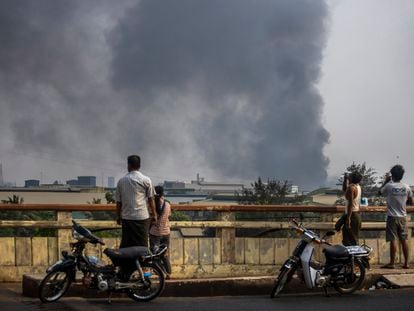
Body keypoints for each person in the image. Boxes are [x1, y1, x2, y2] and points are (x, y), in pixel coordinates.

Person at [115, 155, 157, 248]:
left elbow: (118, 202)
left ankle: (128, 262)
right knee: (142, 245)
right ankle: (142, 262)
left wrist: (118, 216)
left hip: (127, 218)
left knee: (127, 245)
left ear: (129, 165)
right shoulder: (146, 180)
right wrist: (154, 215)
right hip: (142, 217)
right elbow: (151, 199)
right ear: (139, 165)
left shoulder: (121, 181)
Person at [380, 165, 413, 269]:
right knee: (404, 240)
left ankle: (392, 263)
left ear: (392, 175)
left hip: (392, 217)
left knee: (393, 240)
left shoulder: (389, 186)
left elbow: (379, 192)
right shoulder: (407, 187)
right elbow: (411, 201)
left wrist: (386, 181)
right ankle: (407, 263)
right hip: (403, 217)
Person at [149, 186, 172, 277]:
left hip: (155, 233)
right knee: (164, 254)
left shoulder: (151, 204)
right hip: (166, 232)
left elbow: (150, 216)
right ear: (163, 193)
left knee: (155, 255)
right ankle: (169, 274)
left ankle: (162, 273)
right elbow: (168, 216)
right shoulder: (168, 204)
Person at [339, 172, 363, 246]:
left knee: (348, 240)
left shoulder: (351, 188)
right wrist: (345, 179)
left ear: (352, 178)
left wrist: (348, 218)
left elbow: (351, 204)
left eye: (350, 176)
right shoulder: (357, 187)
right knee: (353, 239)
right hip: (356, 215)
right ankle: (354, 256)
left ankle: (353, 256)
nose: (349, 177)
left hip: (352, 216)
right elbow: (345, 190)